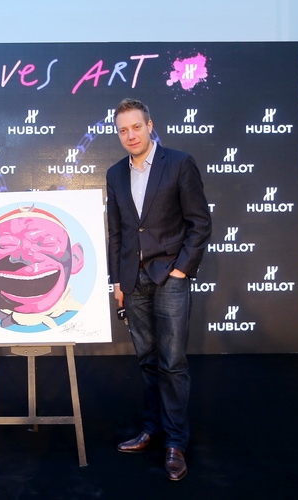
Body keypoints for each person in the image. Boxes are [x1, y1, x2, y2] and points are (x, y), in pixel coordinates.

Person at [105, 98, 211, 481]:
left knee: (173, 363)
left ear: (150, 126)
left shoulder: (179, 163)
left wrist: (181, 270)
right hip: (132, 281)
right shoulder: (115, 173)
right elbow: (117, 232)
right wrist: (118, 281)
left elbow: (200, 223)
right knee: (147, 361)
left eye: (136, 127)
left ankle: (175, 443)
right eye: (123, 130)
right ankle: (151, 429)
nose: (130, 135)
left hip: (170, 277)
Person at [0, 206, 85, 330]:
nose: (25, 258)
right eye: (6, 245)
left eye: (46, 243)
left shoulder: (87, 319)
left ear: (76, 259)